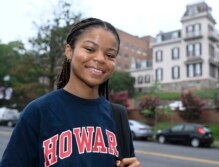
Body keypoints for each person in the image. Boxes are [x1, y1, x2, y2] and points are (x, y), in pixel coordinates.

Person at [0, 17, 140, 167]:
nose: (100, 58)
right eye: (90, 49)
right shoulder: (39, 112)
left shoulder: (118, 116)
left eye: (110, 55)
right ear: (69, 51)